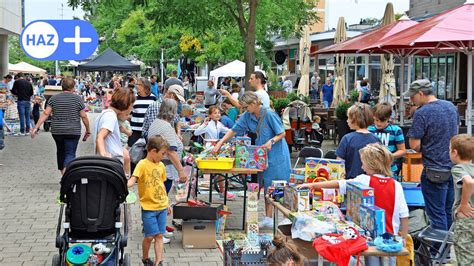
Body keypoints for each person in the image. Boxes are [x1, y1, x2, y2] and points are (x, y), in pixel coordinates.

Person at [298, 143, 409, 265]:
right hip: (391, 239)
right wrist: (403, 237)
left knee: (371, 262)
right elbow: (404, 215)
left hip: (370, 237)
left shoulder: (364, 180)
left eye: (363, 163)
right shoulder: (397, 185)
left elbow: (339, 183)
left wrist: (312, 185)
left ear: (372, 164)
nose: (361, 167)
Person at [212, 92, 291, 228]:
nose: (244, 109)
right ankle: (268, 217)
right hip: (261, 155)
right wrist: (220, 142)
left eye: (246, 106)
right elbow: (234, 130)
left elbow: (282, 133)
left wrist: (271, 141)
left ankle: (285, 217)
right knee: (266, 186)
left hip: (277, 155)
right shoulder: (247, 116)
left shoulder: (269, 114)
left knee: (279, 185)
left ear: (254, 104)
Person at [407, 79, 459, 234]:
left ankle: (437, 253)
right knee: (448, 210)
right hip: (453, 167)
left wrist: (429, 145)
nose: (411, 100)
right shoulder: (451, 107)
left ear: (421, 93)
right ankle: (446, 250)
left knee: (436, 214)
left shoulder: (422, 112)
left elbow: (414, 145)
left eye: (412, 97)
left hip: (433, 170)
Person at [31, 78, 91, 175]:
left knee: (60, 151)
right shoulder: (77, 99)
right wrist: (88, 130)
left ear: (62, 87)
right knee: (70, 153)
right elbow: (84, 116)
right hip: (73, 130)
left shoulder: (53, 98)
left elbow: (46, 113)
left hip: (57, 130)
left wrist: (36, 127)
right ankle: (68, 175)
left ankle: (63, 175)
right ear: (73, 87)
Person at [127, 135, 170, 266]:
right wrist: (126, 184)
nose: (163, 156)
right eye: (162, 153)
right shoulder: (142, 164)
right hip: (149, 208)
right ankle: (145, 258)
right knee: (150, 236)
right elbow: (134, 178)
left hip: (161, 206)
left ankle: (158, 261)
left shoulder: (161, 165)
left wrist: (167, 203)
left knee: (159, 236)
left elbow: (161, 186)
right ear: (153, 151)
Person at [94, 88, 136, 176]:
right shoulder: (111, 117)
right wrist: (104, 154)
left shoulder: (105, 114)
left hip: (109, 164)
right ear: (126, 105)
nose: (132, 109)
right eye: (132, 105)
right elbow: (100, 137)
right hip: (112, 164)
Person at [336, 103, 380, 179]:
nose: (347, 121)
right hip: (370, 182)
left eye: (348, 118)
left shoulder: (347, 138)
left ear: (355, 120)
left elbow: (339, 163)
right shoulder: (376, 139)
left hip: (350, 182)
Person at [449, 134, 474, 265]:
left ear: (455, 152)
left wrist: (463, 204)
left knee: (466, 260)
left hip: (466, 220)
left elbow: (469, 182)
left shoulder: (458, 168)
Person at [368, 102, 406, 177]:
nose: (378, 123)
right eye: (376, 120)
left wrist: (389, 156)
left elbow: (402, 150)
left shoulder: (396, 130)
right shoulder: (369, 129)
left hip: (390, 169)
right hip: (372, 169)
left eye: (382, 121)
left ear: (388, 118)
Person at [128, 78, 157, 147]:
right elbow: (129, 114)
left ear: (145, 86)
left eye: (139, 84)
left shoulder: (153, 98)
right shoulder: (134, 98)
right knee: (133, 152)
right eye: (136, 84)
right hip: (135, 130)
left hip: (148, 131)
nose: (137, 86)